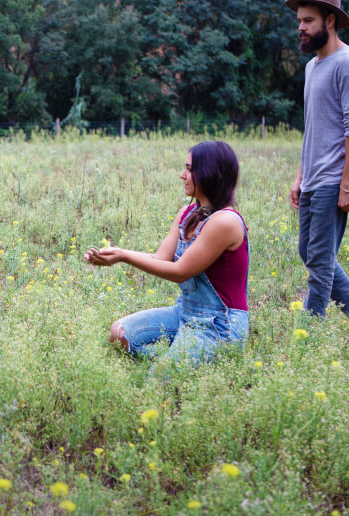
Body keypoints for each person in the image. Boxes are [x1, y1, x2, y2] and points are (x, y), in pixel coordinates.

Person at [84, 140, 249, 367]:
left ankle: (175, 368)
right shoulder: (187, 213)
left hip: (219, 324)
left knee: (159, 383)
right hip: (186, 313)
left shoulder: (225, 221)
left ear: (210, 173)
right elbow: (161, 259)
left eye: (190, 169)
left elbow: (180, 272)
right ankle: (177, 362)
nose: (182, 175)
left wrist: (124, 256)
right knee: (120, 335)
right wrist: (116, 255)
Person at [284, 0, 349, 327]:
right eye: (299, 20)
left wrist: (346, 186)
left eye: (308, 20)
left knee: (320, 261)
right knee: (308, 253)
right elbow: (315, 129)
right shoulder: (312, 68)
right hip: (314, 175)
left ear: (330, 21)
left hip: (337, 177)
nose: (301, 27)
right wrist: (299, 178)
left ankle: (308, 338)